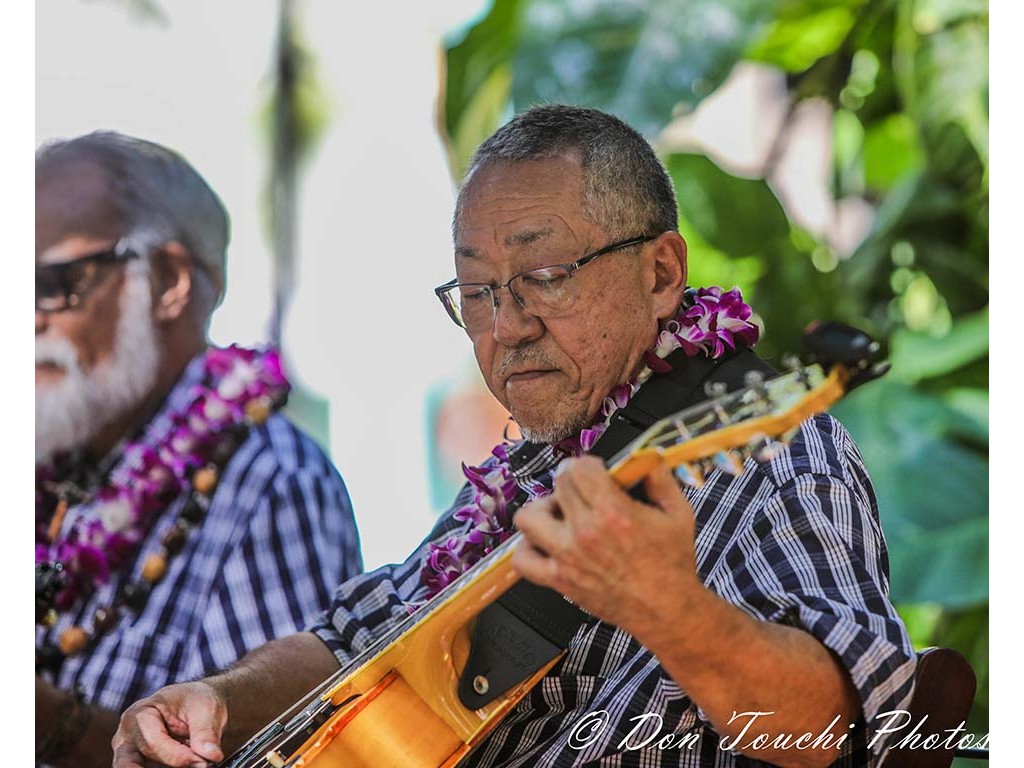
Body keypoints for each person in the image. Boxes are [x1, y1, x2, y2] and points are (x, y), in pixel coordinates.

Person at [112, 106, 916, 768]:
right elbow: (354, 641)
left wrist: (671, 610)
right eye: (475, 291)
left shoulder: (774, 453)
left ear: (662, 274)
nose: (506, 327)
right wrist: (218, 699)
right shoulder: (529, 468)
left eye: (545, 278)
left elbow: (846, 725)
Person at [35, 132, 364, 768]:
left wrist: (48, 724)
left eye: (54, 281)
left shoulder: (274, 482)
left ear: (169, 282)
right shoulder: (56, 470)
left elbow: (290, 754)